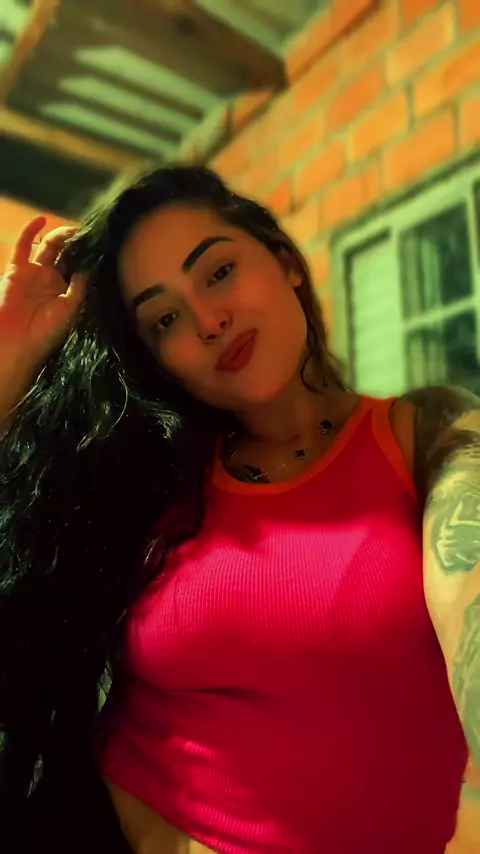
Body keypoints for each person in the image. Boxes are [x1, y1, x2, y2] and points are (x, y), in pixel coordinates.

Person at [0, 165, 479, 854]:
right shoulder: (155, 478)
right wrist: (12, 361)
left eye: (219, 272)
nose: (208, 321)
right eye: (165, 319)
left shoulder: (428, 437)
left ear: (285, 261)